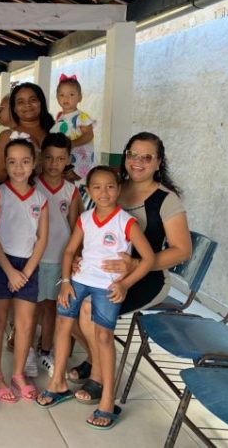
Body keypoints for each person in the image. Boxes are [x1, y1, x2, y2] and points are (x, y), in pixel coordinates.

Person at [69, 132, 192, 404]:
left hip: (146, 278)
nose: (138, 162)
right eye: (132, 155)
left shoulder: (165, 200)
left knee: (89, 308)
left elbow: (183, 250)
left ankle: (99, 380)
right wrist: (79, 257)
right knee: (64, 303)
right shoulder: (111, 186)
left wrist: (137, 263)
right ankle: (96, 357)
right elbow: (90, 230)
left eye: (146, 157)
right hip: (101, 272)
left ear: (158, 162)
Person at [37, 166, 155, 431]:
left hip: (107, 287)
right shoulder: (85, 218)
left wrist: (125, 285)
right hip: (78, 282)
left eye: (111, 186)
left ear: (119, 189)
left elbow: (147, 260)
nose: (104, 192)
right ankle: (58, 384)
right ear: (88, 191)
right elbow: (69, 252)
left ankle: (107, 401)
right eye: (97, 187)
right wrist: (66, 282)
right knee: (62, 326)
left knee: (103, 337)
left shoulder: (126, 222)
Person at [0, 139, 48, 403]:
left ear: (34, 164)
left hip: (29, 265)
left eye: (25, 161)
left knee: (25, 324)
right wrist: (10, 271)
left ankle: (19, 374)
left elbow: (42, 239)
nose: (19, 167)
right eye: (12, 162)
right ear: (5, 165)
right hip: (2, 264)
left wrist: (27, 270)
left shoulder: (41, 199)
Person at [35, 133, 82, 375]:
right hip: (34, 257)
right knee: (32, 306)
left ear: (68, 160)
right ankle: (28, 351)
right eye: (49, 158)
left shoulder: (71, 191)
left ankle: (45, 351)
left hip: (59, 258)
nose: (54, 164)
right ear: (41, 158)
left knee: (51, 307)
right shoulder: (32, 185)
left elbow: (76, 226)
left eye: (60, 159)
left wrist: (75, 256)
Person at [0, 83, 55, 185]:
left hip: (56, 196)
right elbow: (0, 175)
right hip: (19, 197)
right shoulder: (8, 136)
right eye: (20, 102)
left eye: (33, 100)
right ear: (14, 109)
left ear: (41, 103)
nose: (27, 105)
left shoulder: (55, 132)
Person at [50, 75, 96, 181]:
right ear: (57, 98)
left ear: (79, 97)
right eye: (62, 95)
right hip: (66, 159)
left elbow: (89, 135)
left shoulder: (81, 117)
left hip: (80, 160)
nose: (66, 98)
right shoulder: (60, 118)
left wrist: (74, 143)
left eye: (71, 94)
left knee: (71, 182)